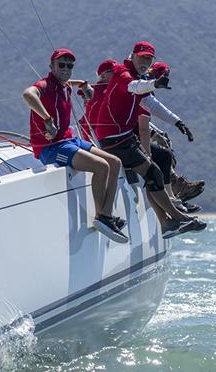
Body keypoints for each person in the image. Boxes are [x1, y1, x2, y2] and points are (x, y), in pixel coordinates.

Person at [92, 41, 206, 238]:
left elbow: (150, 103)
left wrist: (178, 122)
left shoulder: (138, 79)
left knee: (153, 174)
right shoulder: (122, 73)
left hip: (122, 137)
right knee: (153, 172)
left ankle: (170, 222)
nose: (145, 61)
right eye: (142, 57)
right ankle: (175, 218)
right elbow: (134, 87)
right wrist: (154, 83)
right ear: (133, 56)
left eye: (149, 58)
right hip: (113, 139)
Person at [23, 48, 128, 243]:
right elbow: (28, 94)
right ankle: (102, 217)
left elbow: (70, 82)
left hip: (69, 140)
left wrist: (84, 84)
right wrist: (46, 118)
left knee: (115, 162)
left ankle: (107, 214)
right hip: (51, 148)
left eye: (69, 66)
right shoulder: (44, 85)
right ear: (51, 67)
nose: (65, 69)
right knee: (101, 166)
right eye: (61, 65)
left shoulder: (64, 85)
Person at [142, 61, 203, 212]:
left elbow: (150, 113)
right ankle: (176, 190)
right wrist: (155, 133)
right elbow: (141, 117)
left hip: (138, 129)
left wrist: (177, 123)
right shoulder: (140, 86)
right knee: (163, 155)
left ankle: (176, 191)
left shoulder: (144, 88)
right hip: (130, 133)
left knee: (164, 144)